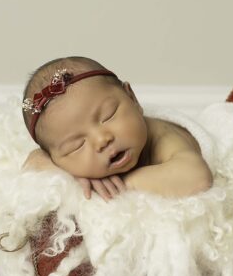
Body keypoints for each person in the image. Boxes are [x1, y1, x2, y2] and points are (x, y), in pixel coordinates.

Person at [20, 56, 213, 201]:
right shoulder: (55, 155)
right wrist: (69, 176)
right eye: (76, 145)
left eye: (108, 116)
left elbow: (197, 177)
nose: (102, 140)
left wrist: (122, 183)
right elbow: (35, 162)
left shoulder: (163, 138)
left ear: (132, 98)